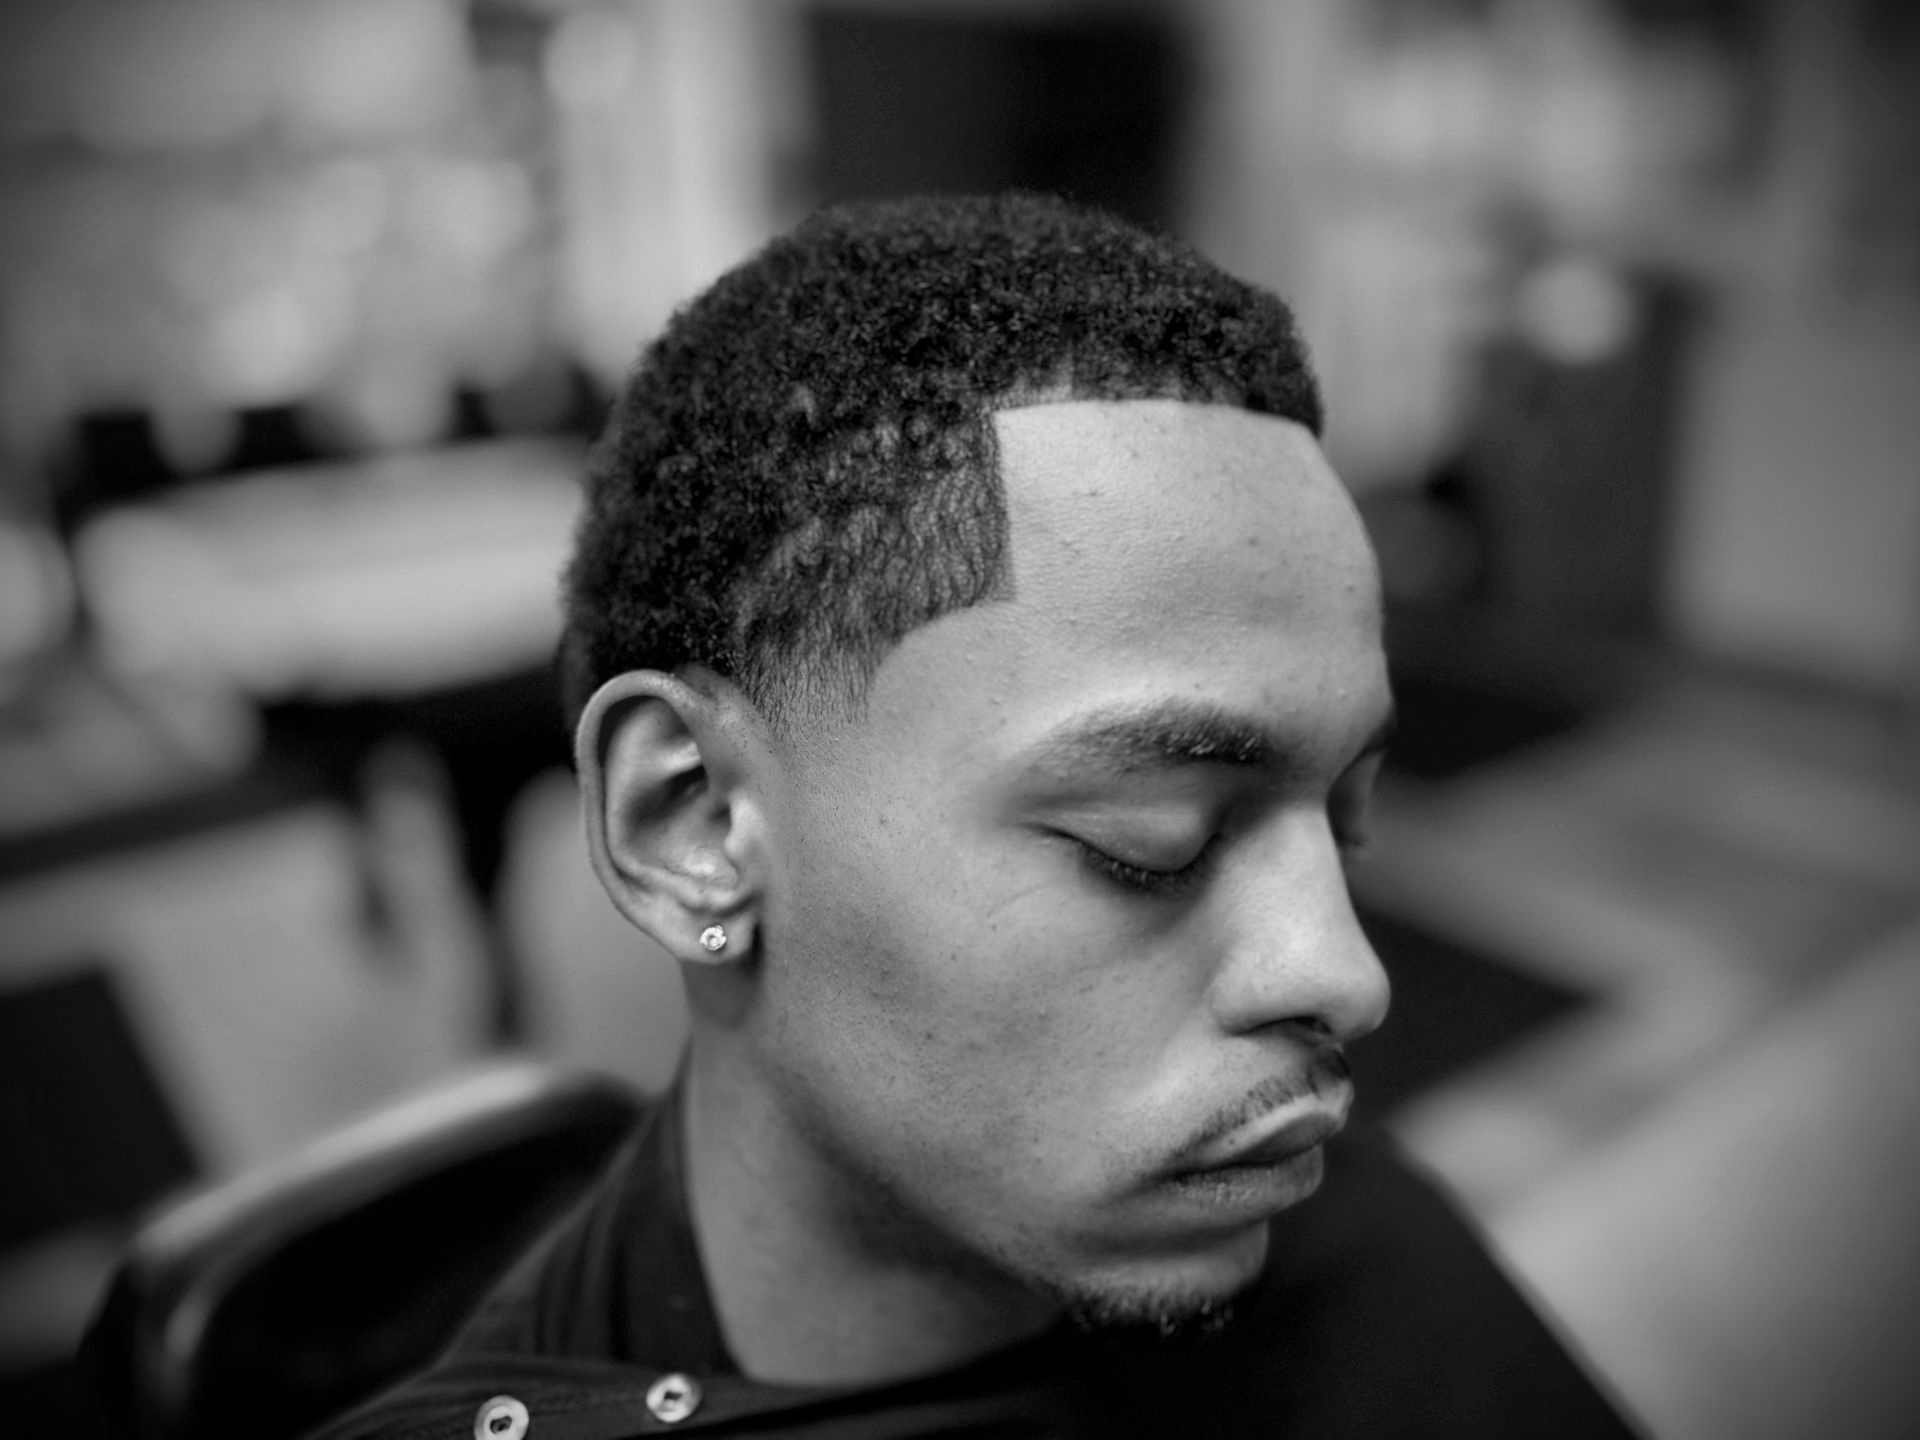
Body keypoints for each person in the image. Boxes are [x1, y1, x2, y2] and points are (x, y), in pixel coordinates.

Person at [316, 193, 1636, 1438]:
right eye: (1150, 839)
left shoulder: (1375, 1263)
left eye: (1342, 818)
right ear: (694, 822)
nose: (1344, 978)